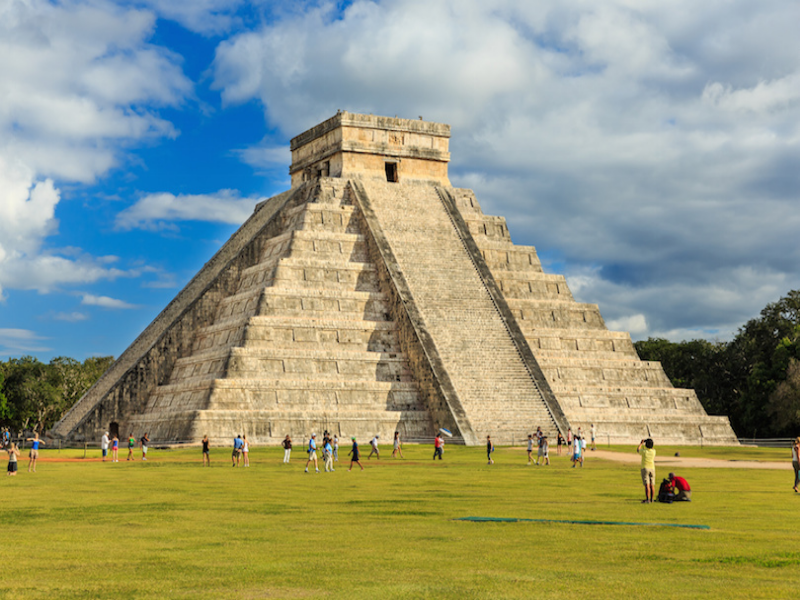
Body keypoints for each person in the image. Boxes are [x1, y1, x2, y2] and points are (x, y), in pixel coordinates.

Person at [637, 438, 656, 503]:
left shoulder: (644, 451)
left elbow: (638, 450)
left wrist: (641, 443)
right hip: (652, 468)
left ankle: (647, 499)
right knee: (652, 485)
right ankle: (652, 499)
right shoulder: (653, 451)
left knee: (647, 485)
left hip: (645, 468)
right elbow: (652, 448)